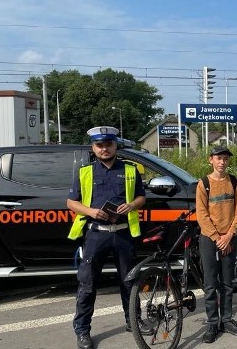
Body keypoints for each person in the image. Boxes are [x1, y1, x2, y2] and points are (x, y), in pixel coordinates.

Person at [67, 126, 147, 349]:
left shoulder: (131, 170)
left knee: (129, 281)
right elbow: (71, 203)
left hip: (123, 233)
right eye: (100, 145)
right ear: (93, 148)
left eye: (108, 144)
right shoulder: (85, 172)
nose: (104, 148)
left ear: (115, 146)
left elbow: (142, 197)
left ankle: (133, 320)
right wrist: (91, 211)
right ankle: (82, 331)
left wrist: (131, 205)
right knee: (88, 285)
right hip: (96, 234)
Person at [196, 146, 237, 343]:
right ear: (211, 160)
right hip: (210, 240)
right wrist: (218, 238)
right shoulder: (204, 183)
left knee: (227, 282)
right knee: (210, 284)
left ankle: (227, 320)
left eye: (225, 158)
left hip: (230, 237)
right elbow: (202, 215)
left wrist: (230, 235)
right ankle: (212, 323)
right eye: (218, 158)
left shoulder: (235, 182)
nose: (222, 162)